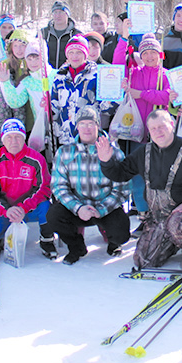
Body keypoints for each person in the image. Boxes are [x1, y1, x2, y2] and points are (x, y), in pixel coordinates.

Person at [98, 109, 182, 269]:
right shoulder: (143, 152)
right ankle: (171, 243)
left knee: (178, 225)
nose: (158, 131)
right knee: (143, 261)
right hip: (158, 216)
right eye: (153, 128)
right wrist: (106, 161)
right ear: (149, 131)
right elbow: (120, 173)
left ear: (172, 125)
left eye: (162, 126)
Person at [47, 107, 131, 263]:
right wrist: (77, 208)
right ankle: (76, 247)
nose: (87, 128)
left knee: (122, 232)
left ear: (98, 126)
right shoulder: (64, 152)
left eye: (91, 123)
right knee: (53, 216)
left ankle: (113, 243)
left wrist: (101, 209)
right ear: (77, 127)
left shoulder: (114, 152)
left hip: (105, 207)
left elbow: (122, 190)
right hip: (77, 208)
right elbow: (58, 186)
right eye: (82, 124)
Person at [0, 119, 53, 246]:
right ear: (3, 140)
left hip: (29, 209)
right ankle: (8, 232)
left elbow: (44, 188)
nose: (13, 141)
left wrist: (23, 208)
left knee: (46, 206)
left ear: (24, 138)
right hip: (7, 210)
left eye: (18, 137)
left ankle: (47, 239)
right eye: (9, 137)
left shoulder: (36, 159)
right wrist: (6, 210)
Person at [42, 0, 78, 69]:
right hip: (48, 75)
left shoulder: (76, 34)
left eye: (61, 12)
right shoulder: (43, 33)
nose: (58, 15)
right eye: (55, 12)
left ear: (67, 14)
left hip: (68, 74)